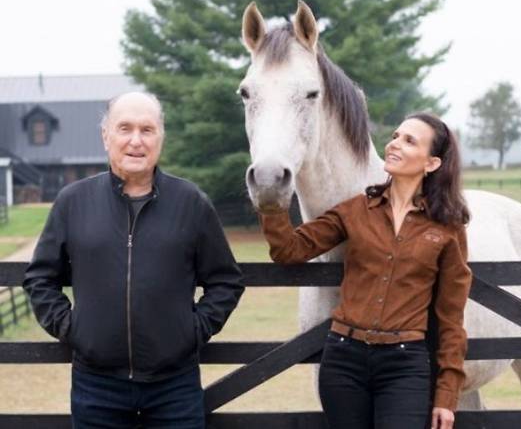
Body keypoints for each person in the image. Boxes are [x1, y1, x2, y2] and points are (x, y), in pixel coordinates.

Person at [23, 92, 244, 428]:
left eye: (147, 129)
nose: (136, 141)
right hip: (96, 386)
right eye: (124, 128)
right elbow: (40, 278)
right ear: (106, 136)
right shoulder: (73, 201)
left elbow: (226, 280)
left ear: (160, 138)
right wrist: (71, 329)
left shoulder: (191, 202)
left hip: (174, 386)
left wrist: (192, 331)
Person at [258, 112, 472, 429]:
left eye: (409, 141)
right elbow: (289, 250)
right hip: (344, 361)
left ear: (431, 163)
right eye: (396, 136)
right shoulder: (356, 210)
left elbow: (451, 319)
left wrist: (446, 395)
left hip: (405, 365)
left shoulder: (447, 228)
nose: (394, 144)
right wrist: (270, 202)